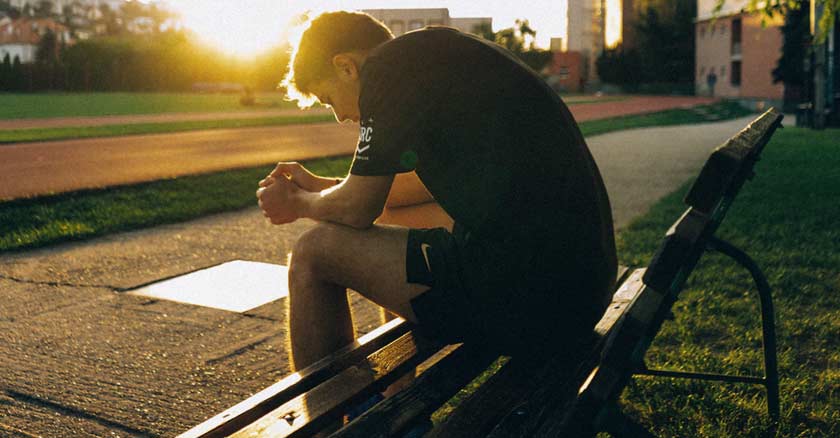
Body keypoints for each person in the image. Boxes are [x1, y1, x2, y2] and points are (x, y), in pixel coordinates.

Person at [257, 11, 617, 372]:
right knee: (396, 221)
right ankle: (400, 402)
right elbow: (396, 195)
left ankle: (332, 426)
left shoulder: (384, 70)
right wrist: (321, 188)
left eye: (328, 98)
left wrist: (299, 203)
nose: (340, 116)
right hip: (581, 287)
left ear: (346, 67)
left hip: (533, 302)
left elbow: (357, 209)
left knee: (313, 252)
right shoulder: (434, 57)